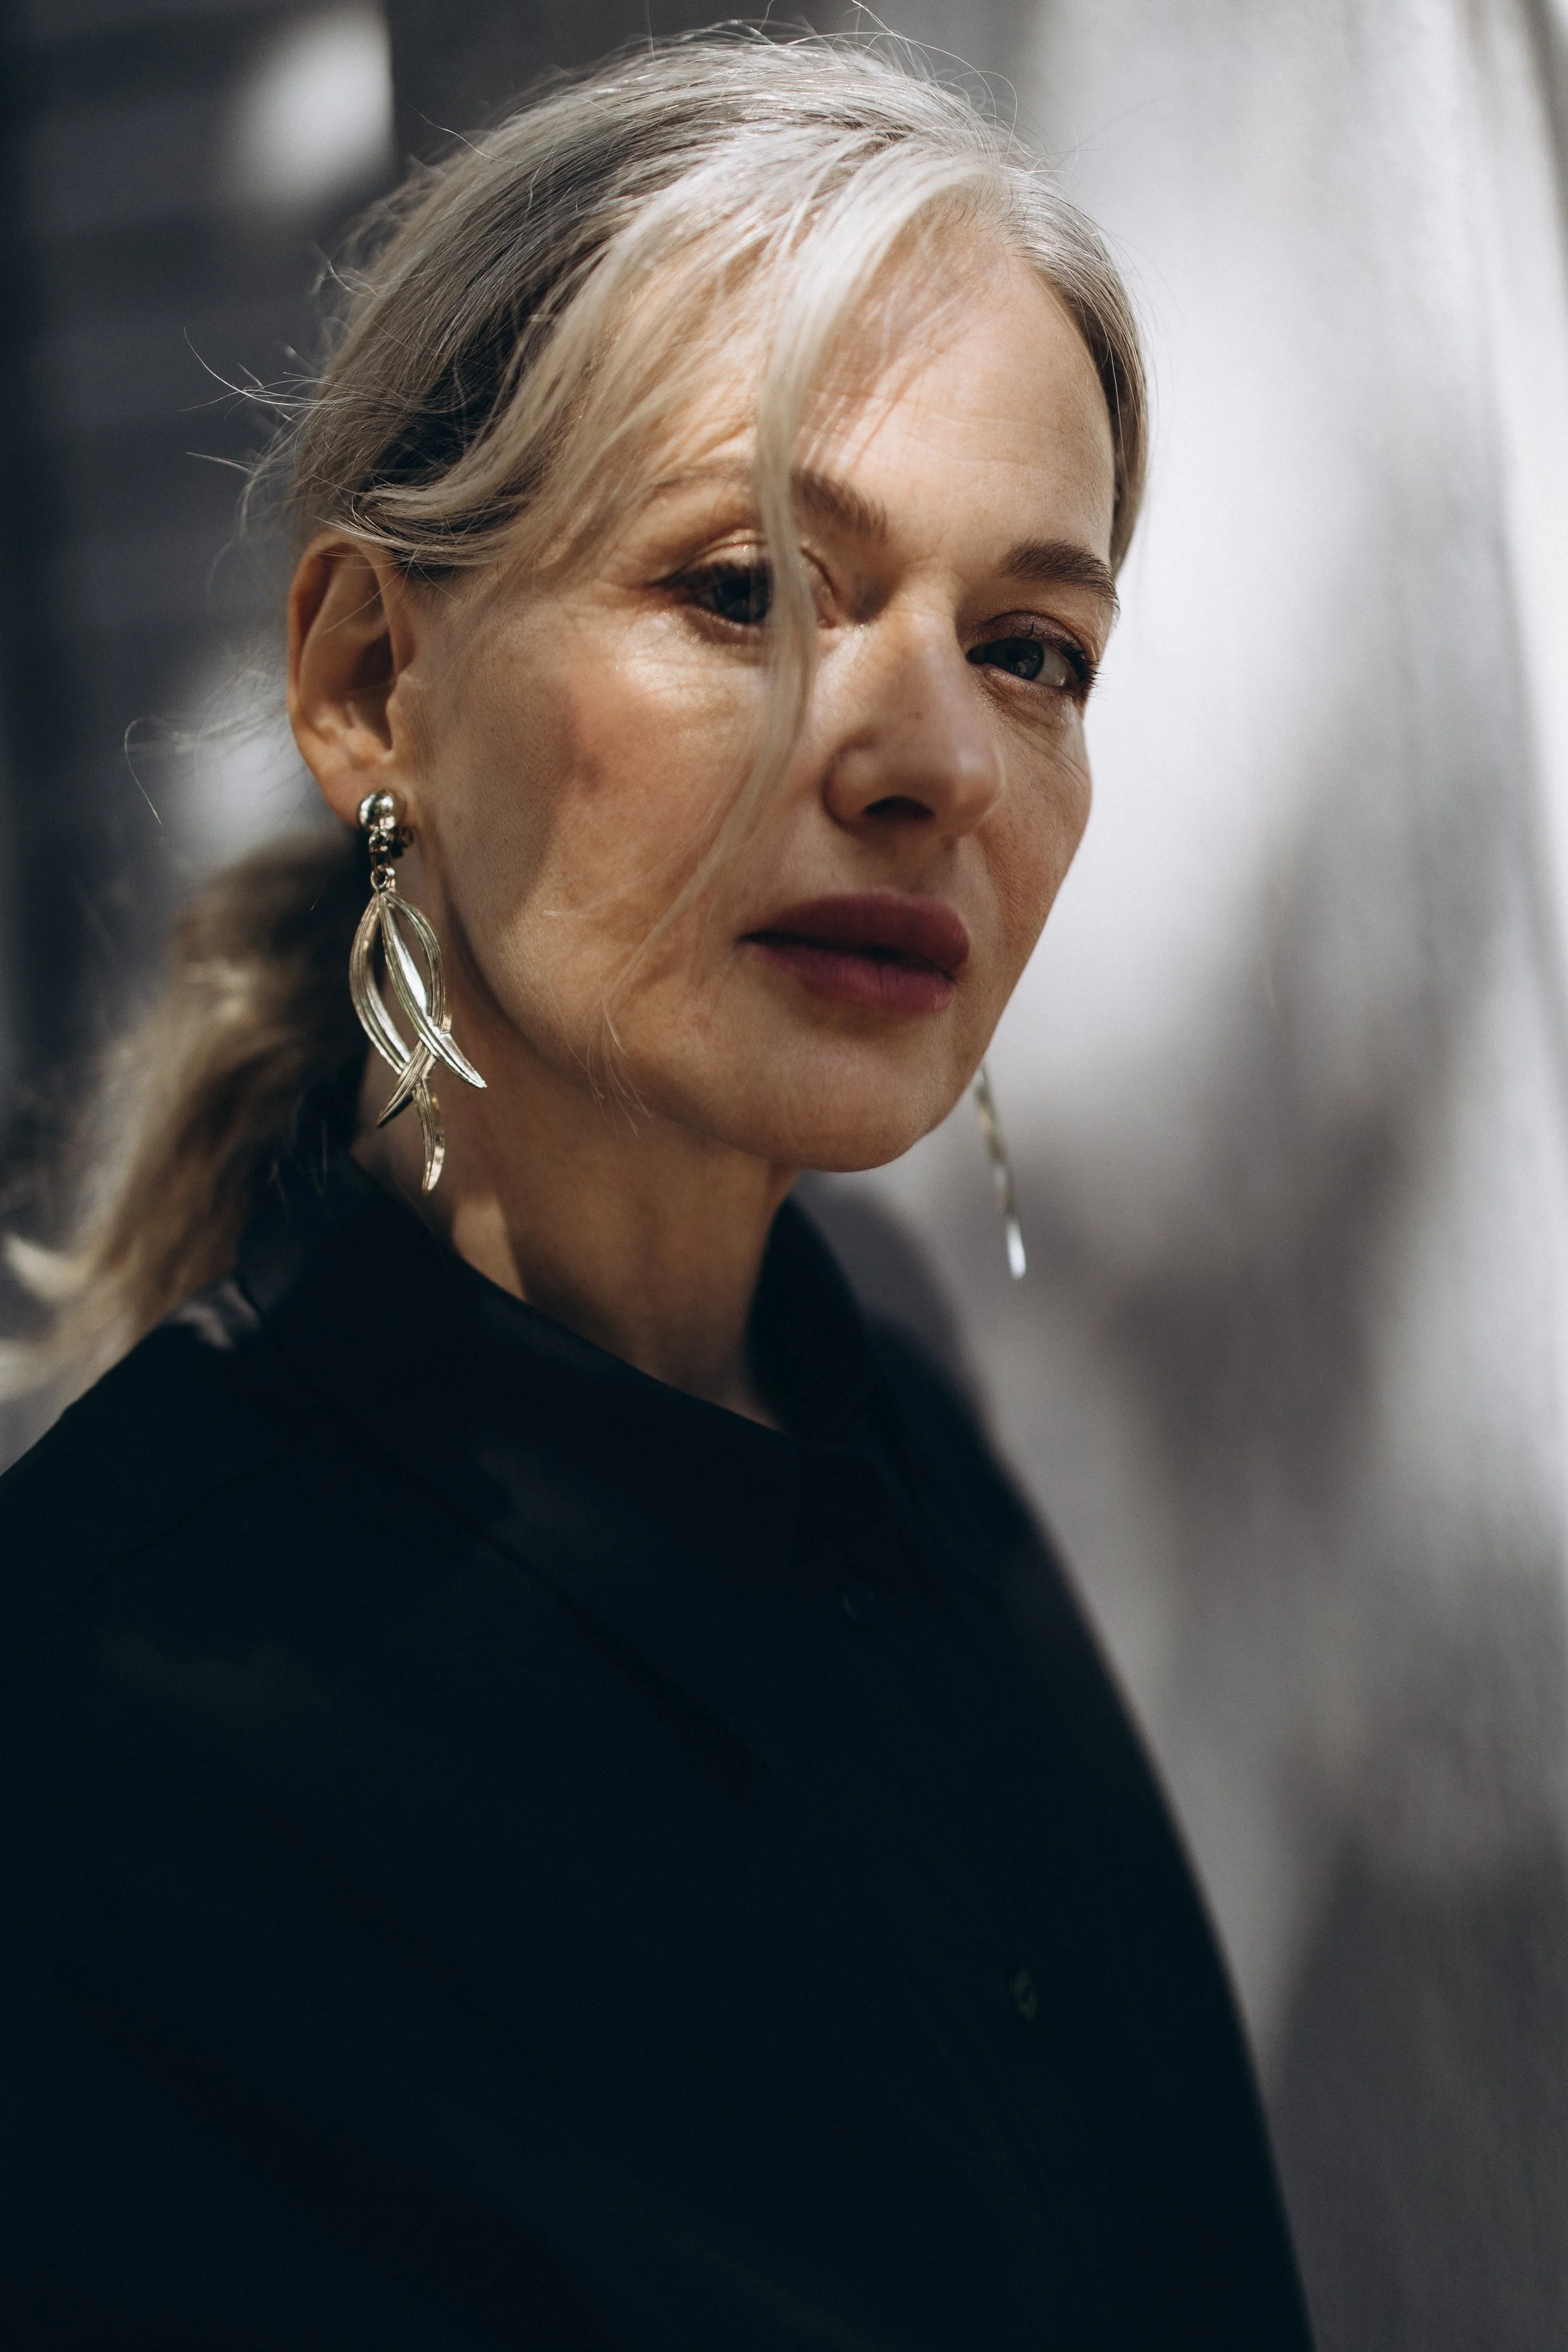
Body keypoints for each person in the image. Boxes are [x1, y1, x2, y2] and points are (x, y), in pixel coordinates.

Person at [0, 33, 1314, 2350]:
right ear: (370, 678)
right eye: (742, 590)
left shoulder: (884, 1395)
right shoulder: (99, 1724)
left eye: (1030, 649)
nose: (929, 754)